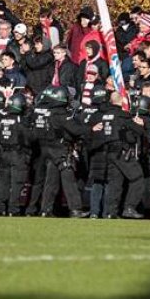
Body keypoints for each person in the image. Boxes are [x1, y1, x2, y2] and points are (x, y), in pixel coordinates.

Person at [37, 86, 90, 218]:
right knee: (69, 181)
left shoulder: (47, 112)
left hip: (49, 150)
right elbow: (76, 130)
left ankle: (45, 209)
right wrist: (89, 128)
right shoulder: (62, 114)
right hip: (61, 150)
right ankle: (76, 209)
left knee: (51, 182)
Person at [97, 92, 147, 219]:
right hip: (122, 152)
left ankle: (110, 212)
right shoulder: (122, 115)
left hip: (108, 151)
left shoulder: (105, 115)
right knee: (137, 178)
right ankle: (129, 207)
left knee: (115, 183)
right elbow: (138, 131)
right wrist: (140, 125)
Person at [0, 93, 31, 216]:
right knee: (17, 183)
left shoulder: (2, 119)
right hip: (17, 154)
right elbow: (28, 138)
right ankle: (13, 209)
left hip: (3, 153)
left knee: (3, 183)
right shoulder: (20, 120)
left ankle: (0, 208)